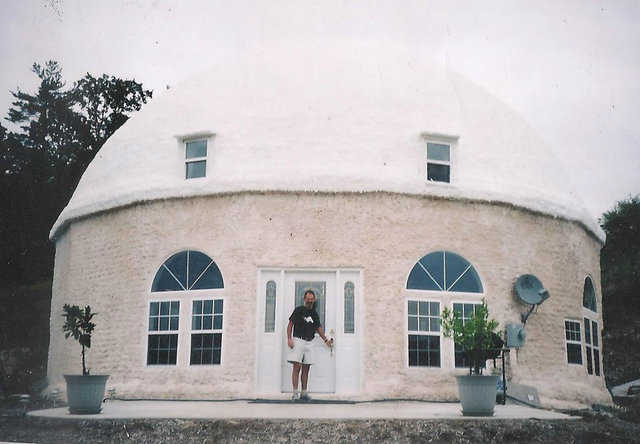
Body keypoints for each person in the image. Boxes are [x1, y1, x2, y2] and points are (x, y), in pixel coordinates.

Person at [286, 289, 332, 401]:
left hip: (310, 342)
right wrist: (289, 339)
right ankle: (295, 393)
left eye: (312, 299)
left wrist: (326, 340)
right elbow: (290, 325)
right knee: (297, 367)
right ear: (304, 299)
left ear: (314, 300)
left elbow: (318, 328)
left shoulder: (314, 314)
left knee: (306, 368)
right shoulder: (298, 310)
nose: (310, 301)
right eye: (308, 299)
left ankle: (304, 393)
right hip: (298, 340)